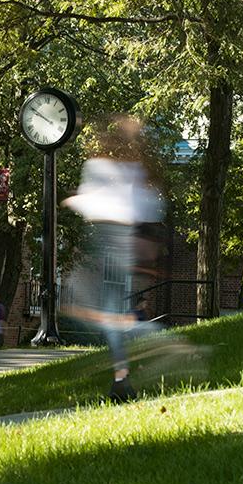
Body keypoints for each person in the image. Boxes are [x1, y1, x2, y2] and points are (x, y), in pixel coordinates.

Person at [62, 115, 165, 403]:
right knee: (108, 311)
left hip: (111, 240)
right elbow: (148, 207)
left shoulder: (99, 167)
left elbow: (97, 203)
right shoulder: (132, 171)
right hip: (123, 242)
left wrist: (73, 201)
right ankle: (122, 378)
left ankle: (152, 345)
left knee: (97, 305)